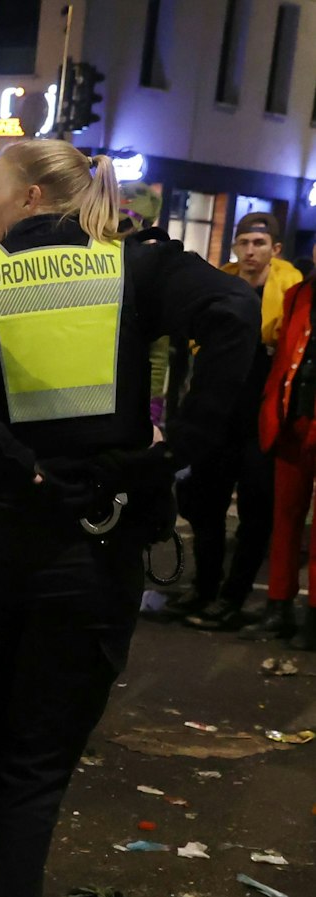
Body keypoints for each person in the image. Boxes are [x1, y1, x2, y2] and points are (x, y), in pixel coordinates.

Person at [0, 139, 256, 897]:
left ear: (29, 198)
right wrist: (175, 451)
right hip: (86, 547)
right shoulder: (137, 268)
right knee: (31, 764)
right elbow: (231, 316)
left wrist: (13, 463)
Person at [174, 213, 296, 631]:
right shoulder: (219, 285)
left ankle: (233, 597)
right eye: (243, 243)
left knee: (255, 513)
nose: (250, 252)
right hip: (218, 416)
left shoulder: (290, 291)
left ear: (275, 250)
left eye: (259, 244)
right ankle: (204, 587)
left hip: (261, 419)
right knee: (205, 506)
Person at [258, 246, 316, 650]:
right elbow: (284, 359)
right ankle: (278, 606)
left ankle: (314, 617)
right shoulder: (298, 294)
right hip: (292, 420)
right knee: (284, 518)